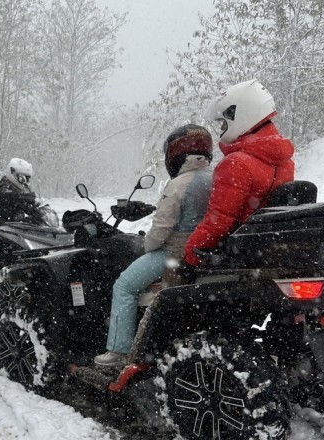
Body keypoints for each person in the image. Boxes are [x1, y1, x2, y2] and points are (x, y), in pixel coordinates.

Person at [94, 124, 214, 368]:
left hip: (174, 252)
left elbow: (160, 231)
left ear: (175, 154)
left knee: (124, 287)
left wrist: (146, 246)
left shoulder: (179, 184)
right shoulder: (217, 177)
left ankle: (118, 351)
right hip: (206, 250)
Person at [183, 79, 295, 268]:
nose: (221, 128)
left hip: (240, 252)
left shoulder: (236, 164)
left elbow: (218, 222)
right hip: (269, 248)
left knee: (170, 283)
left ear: (240, 114)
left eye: (223, 122)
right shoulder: (285, 161)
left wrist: (189, 253)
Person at [0, 158, 49, 225]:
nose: (25, 182)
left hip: (13, 228)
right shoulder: (5, 184)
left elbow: (25, 206)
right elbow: (6, 195)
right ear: (12, 173)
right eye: (22, 178)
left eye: (27, 179)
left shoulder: (20, 192)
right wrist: (29, 197)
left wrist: (38, 212)